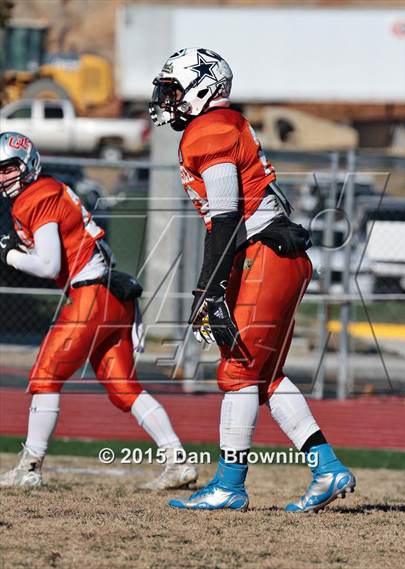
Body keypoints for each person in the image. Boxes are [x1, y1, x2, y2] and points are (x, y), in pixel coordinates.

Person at [149, 47, 356, 512]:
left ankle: (228, 485)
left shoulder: (211, 129)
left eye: (174, 90)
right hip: (276, 253)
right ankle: (327, 469)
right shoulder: (222, 124)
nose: (167, 99)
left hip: (264, 252)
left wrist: (208, 289)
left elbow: (224, 216)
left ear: (202, 89)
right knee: (263, 377)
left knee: (237, 371)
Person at [0, 131, 197, 490]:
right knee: (123, 388)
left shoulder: (36, 196)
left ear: (27, 163)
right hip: (112, 293)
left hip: (91, 294)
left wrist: (8, 254)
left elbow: (46, 265)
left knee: (45, 375)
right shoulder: (52, 189)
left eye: (9, 168)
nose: (4, 177)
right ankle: (177, 461)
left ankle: (29, 468)